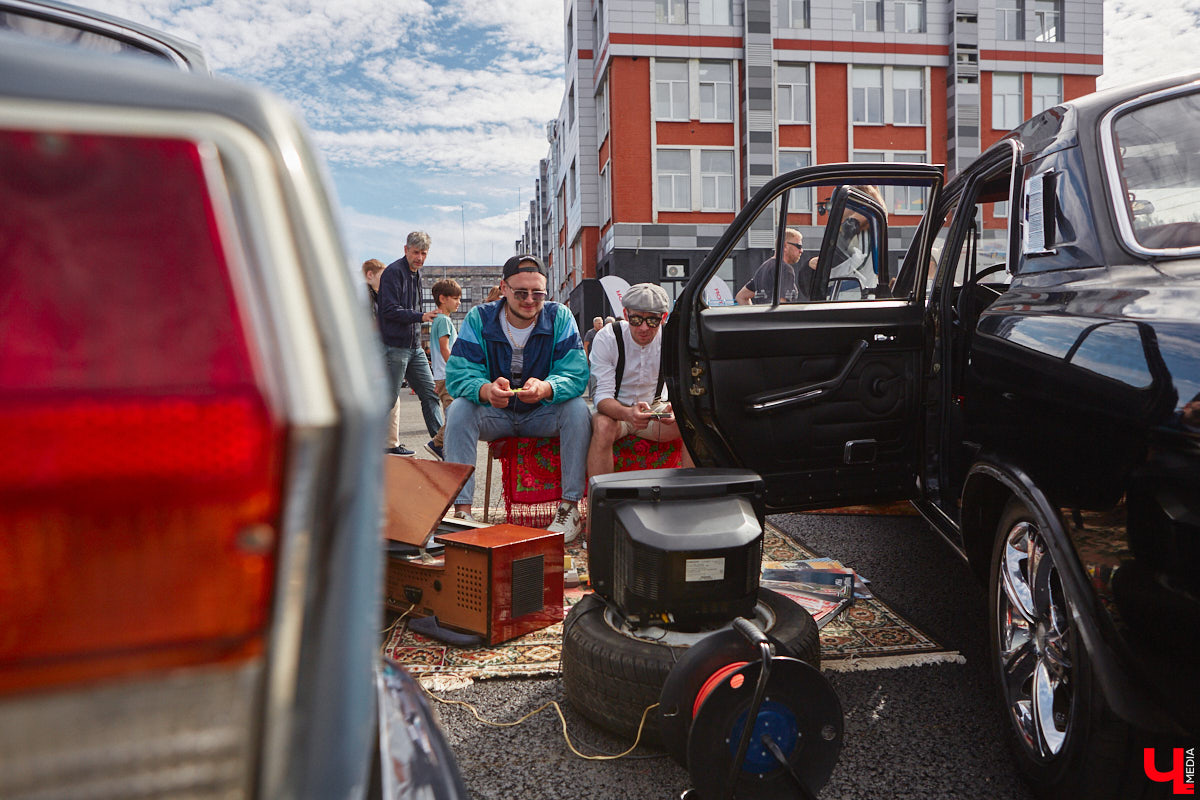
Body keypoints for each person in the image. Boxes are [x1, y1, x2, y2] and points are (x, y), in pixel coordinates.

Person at [444, 254, 591, 541]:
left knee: (577, 409)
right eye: (521, 292)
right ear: (504, 288)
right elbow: (459, 373)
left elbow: (576, 373)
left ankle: (569, 507)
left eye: (538, 293)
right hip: (494, 414)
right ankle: (462, 511)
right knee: (459, 409)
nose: (529, 300)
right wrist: (485, 390)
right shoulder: (480, 318)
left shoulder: (559, 316)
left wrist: (547, 388)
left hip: (542, 413)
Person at [586, 283, 695, 478]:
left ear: (663, 318)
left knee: (693, 422)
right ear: (626, 315)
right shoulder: (608, 337)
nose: (644, 328)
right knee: (602, 426)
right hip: (616, 413)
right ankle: (602, 503)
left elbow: (686, 387)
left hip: (655, 410)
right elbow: (601, 398)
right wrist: (627, 413)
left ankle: (690, 495)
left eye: (652, 320)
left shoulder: (672, 339)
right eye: (636, 320)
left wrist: (675, 409)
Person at [378, 231, 443, 449]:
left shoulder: (417, 274)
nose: (420, 258)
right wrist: (420, 317)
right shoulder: (393, 273)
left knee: (431, 394)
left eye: (424, 253)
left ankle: (441, 444)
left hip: (414, 348)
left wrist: (421, 319)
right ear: (405, 250)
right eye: (416, 252)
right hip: (394, 347)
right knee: (387, 400)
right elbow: (388, 310)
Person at [363, 258, 411, 455]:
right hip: (371, 354)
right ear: (369, 275)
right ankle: (383, 443)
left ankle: (389, 443)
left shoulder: (374, 296)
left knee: (390, 397)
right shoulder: (364, 297)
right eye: (383, 277)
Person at [425, 278, 462, 460]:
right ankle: (438, 444)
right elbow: (444, 348)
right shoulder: (444, 321)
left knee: (453, 412)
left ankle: (443, 445)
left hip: (442, 376)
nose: (459, 302)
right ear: (443, 298)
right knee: (455, 414)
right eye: (455, 298)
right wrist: (456, 368)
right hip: (448, 375)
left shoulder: (438, 320)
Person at [736, 228, 810, 304]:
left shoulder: (763, 268)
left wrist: (756, 315)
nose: (801, 250)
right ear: (785, 246)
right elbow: (781, 307)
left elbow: (741, 296)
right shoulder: (784, 269)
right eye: (799, 246)